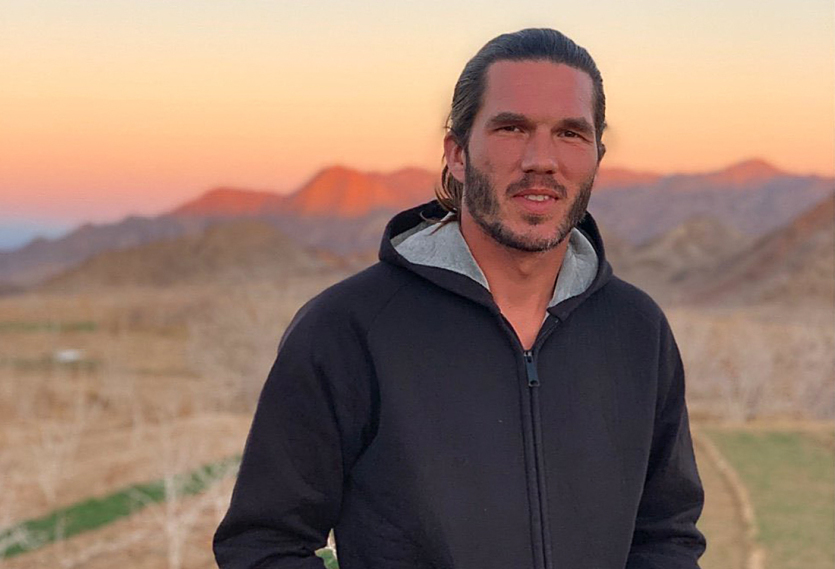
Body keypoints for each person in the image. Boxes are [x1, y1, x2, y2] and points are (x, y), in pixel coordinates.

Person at [214, 28, 706, 569]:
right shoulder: (349, 329)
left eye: (570, 133)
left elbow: (667, 537)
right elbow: (263, 547)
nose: (542, 159)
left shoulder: (636, 331)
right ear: (457, 154)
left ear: (596, 158)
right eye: (512, 128)